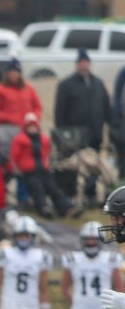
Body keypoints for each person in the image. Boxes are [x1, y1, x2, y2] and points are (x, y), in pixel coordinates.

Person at [54, 48, 112, 205]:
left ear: (90, 64)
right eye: (80, 63)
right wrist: (63, 135)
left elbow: (107, 108)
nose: (83, 66)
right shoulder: (66, 85)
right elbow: (59, 113)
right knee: (75, 167)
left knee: (94, 167)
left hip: (95, 135)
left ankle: (91, 195)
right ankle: (72, 197)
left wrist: (111, 126)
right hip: (74, 137)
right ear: (76, 64)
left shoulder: (98, 83)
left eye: (86, 63)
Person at [10, 112, 72, 218]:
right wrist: (14, 169)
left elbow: (47, 153)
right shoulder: (20, 140)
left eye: (34, 126)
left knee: (52, 187)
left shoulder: (44, 139)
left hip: (43, 170)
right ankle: (43, 208)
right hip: (29, 171)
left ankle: (65, 207)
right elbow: (13, 156)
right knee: (37, 188)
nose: (32, 128)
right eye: (30, 126)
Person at [0, 59, 41, 152]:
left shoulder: (28, 88)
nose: (14, 75)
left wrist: (33, 118)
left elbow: (37, 107)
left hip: (26, 129)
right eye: (11, 72)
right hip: (7, 129)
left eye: (16, 72)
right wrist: (9, 118)